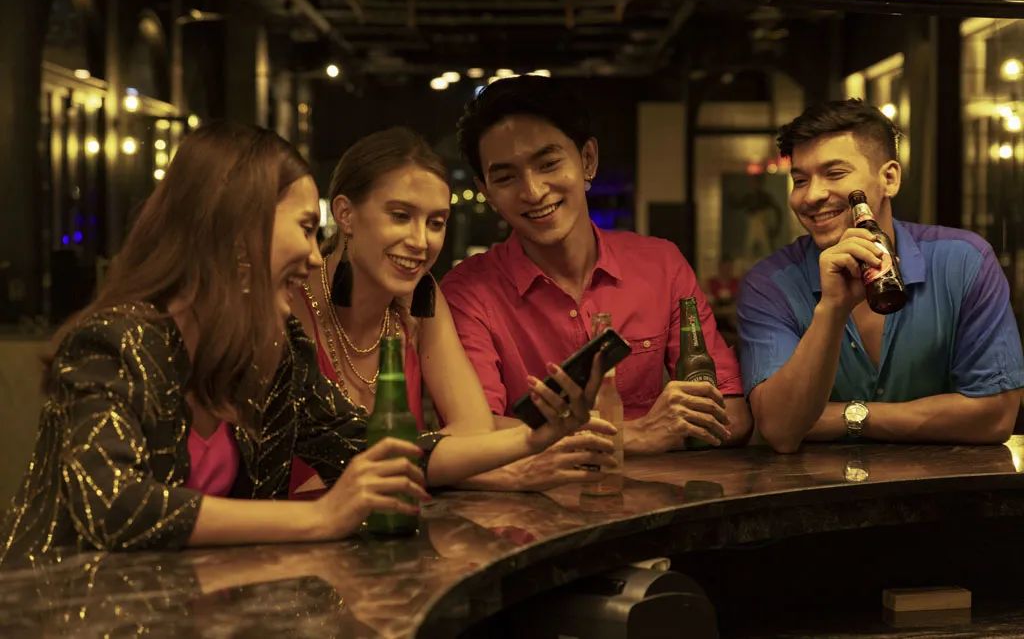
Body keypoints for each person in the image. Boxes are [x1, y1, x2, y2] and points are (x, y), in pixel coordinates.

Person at [0, 122, 612, 568]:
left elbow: (365, 448)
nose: (316, 256)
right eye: (303, 228)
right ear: (236, 228)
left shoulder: (274, 351)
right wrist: (319, 516)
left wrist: (530, 439)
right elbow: (112, 505)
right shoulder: (115, 341)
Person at [441, 75, 752, 492]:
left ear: (587, 160)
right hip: (531, 512)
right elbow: (476, 434)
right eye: (506, 178)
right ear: (487, 192)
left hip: (654, 506)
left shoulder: (661, 265)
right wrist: (635, 435)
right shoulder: (467, 292)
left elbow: (732, 414)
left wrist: (669, 428)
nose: (533, 191)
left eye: (548, 164)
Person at [289, 126, 616, 493]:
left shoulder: (420, 297)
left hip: (399, 519)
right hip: (296, 524)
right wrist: (506, 472)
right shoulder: (288, 301)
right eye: (400, 216)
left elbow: (473, 428)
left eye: (435, 223)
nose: (420, 241)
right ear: (345, 214)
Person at [737, 99, 1024, 454]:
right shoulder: (770, 284)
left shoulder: (963, 262)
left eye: (835, 173)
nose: (812, 195)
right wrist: (832, 309)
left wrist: (852, 416)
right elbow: (779, 430)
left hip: (945, 485)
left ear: (889, 178)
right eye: (800, 180)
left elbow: (996, 416)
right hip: (816, 486)